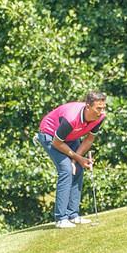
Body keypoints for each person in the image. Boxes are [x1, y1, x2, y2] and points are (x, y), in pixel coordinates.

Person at [37, 91, 106, 228]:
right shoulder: (71, 118)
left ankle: (73, 215)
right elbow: (57, 143)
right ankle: (61, 219)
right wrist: (77, 158)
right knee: (66, 170)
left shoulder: (100, 117)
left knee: (78, 169)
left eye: (103, 107)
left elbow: (89, 139)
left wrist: (77, 160)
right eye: (98, 108)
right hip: (50, 136)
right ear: (87, 106)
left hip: (71, 137)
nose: (101, 111)